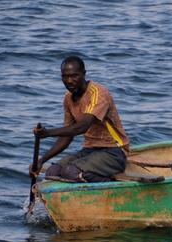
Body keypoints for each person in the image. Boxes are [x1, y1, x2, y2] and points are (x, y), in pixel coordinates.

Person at [29, 55, 130, 183]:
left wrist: (48, 133)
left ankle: (111, 184)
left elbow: (82, 126)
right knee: (52, 172)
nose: (69, 81)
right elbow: (67, 137)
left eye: (74, 76)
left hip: (114, 152)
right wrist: (41, 161)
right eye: (65, 77)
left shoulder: (98, 93)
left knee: (70, 172)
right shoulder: (68, 98)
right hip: (90, 150)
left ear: (84, 74)